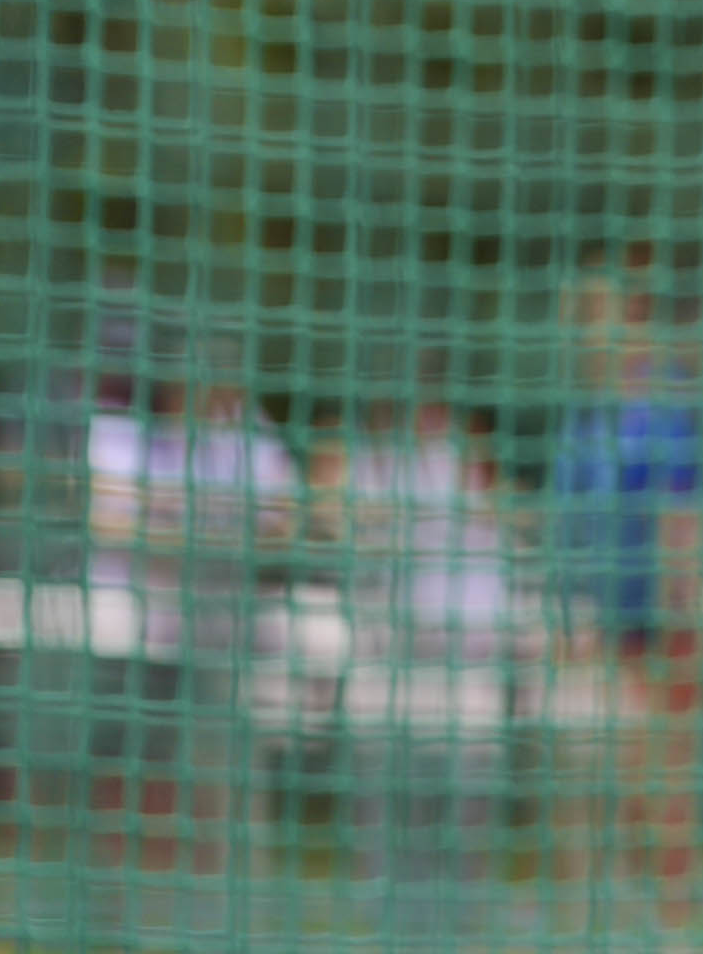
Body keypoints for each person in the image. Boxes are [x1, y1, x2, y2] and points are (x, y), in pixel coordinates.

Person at [79, 328, 303, 923]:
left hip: (218, 644)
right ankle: (117, 913)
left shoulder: (246, 435)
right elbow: (108, 521)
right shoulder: (122, 433)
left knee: (218, 786)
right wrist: (207, 534)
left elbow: (285, 521)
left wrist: (186, 532)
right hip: (129, 640)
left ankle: (222, 913)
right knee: (122, 783)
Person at [305, 369, 514, 944]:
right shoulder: (369, 462)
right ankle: (387, 917)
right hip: (389, 655)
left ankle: (460, 917)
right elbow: (328, 508)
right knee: (386, 798)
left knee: (466, 799)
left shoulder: (459, 461)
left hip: (463, 656)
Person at [538, 249, 703, 936]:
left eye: (594, 314)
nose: (583, 331)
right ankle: (591, 929)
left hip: (649, 632)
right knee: (579, 792)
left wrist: (675, 627)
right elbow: (565, 534)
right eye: (576, 317)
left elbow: (678, 523)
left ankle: (672, 932)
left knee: (658, 790)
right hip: (587, 633)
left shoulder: (660, 408)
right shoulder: (584, 421)